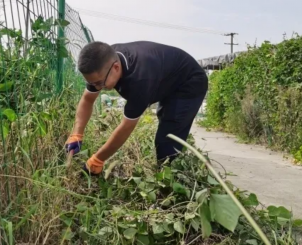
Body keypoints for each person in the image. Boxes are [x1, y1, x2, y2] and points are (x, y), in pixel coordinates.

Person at [65, 41, 208, 175]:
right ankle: (170, 165)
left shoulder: (139, 79)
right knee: (165, 119)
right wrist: (76, 134)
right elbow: (87, 99)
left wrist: (98, 159)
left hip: (189, 82)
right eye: (92, 83)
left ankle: (171, 179)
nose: (97, 88)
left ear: (116, 68)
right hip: (167, 79)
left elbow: (126, 127)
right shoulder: (102, 63)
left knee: (168, 138)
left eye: (99, 83)